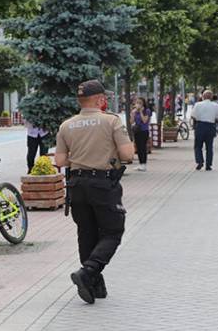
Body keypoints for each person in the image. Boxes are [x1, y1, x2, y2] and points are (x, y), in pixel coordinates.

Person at [55, 79, 134, 305]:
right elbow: (127, 154)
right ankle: (88, 272)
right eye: (105, 97)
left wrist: (81, 159)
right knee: (112, 231)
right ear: (99, 100)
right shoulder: (111, 121)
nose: (106, 100)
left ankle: (95, 284)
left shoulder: (66, 125)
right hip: (103, 184)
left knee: (86, 231)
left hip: (76, 185)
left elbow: (59, 160)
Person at [191, 90, 218, 171]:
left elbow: (193, 116)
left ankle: (200, 162)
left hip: (200, 126)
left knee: (198, 146)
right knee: (209, 147)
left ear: (203, 96)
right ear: (211, 97)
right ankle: (208, 165)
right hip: (210, 126)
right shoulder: (215, 105)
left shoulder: (197, 105)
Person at [131, 97, 151, 172]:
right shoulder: (135, 111)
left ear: (143, 104)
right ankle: (140, 164)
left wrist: (141, 112)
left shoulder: (147, 111)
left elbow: (145, 120)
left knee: (143, 147)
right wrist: (132, 114)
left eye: (140, 103)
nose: (138, 104)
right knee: (138, 148)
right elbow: (131, 122)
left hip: (144, 131)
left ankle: (144, 164)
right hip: (137, 131)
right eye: (137, 102)